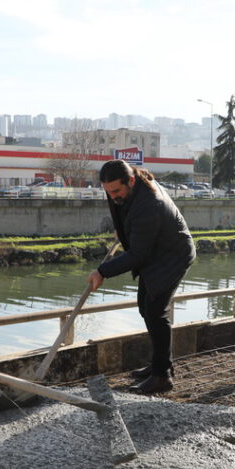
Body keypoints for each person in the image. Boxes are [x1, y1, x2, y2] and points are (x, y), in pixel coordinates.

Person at [88, 160, 195, 395]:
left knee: (156, 311)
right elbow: (122, 210)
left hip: (172, 255)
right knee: (145, 308)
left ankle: (162, 376)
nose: (113, 196)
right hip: (155, 250)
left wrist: (102, 271)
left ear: (131, 181)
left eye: (116, 191)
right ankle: (159, 364)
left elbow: (138, 254)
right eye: (108, 192)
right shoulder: (125, 187)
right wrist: (124, 229)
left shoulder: (149, 204)